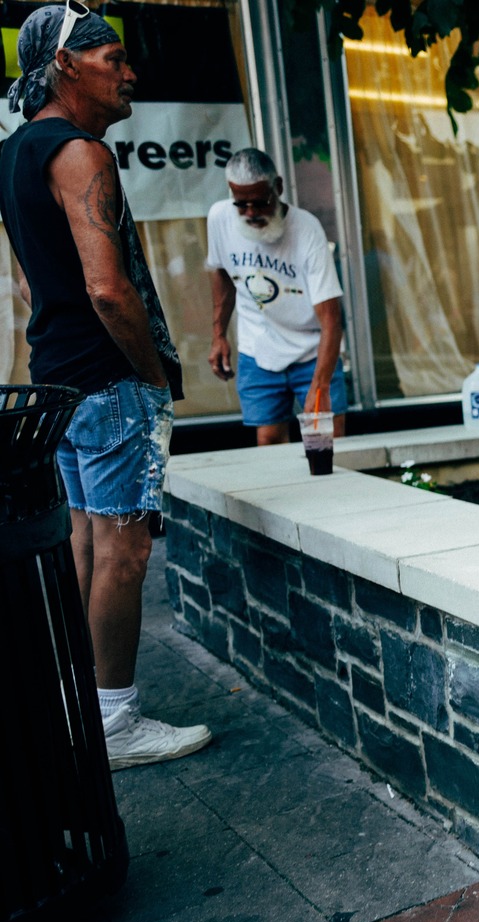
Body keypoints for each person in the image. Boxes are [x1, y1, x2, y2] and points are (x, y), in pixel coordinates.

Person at [0, 1, 210, 769]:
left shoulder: (15, 153)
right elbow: (108, 290)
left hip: (57, 376)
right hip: (108, 379)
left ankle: (85, 704)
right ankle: (116, 719)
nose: (130, 72)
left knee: (89, 538)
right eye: (113, 58)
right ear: (66, 64)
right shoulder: (82, 153)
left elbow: (29, 283)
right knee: (125, 550)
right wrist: (151, 378)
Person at [206, 147, 347, 445]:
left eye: (260, 202)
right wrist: (219, 335)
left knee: (327, 442)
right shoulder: (219, 217)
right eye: (241, 204)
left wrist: (320, 386)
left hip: (312, 349)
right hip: (258, 347)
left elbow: (332, 320)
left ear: (278, 188)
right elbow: (220, 272)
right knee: (269, 445)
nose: (251, 213)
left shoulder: (307, 229)